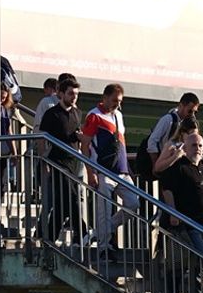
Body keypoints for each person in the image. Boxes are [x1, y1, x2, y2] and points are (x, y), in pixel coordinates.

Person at [157, 131, 203, 293]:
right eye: (194, 145)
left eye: (200, 146)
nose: (198, 149)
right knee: (200, 257)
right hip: (189, 224)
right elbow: (167, 190)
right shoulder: (178, 167)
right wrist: (173, 212)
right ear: (185, 148)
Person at [81, 83, 138, 261]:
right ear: (104, 98)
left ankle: (103, 231)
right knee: (103, 209)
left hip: (121, 170)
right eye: (114, 101)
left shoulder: (118, 115)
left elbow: (121, 142)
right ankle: (104, 247)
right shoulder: (94, 115)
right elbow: (85, 145)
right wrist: (90, 172)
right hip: (102, 169)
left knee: (134, 203)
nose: (117, 104)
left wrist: (127, 168)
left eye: (120, 101)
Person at [39, 77, 85, 245]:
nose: (74, 97)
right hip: (57, 161)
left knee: (62, 202)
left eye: (76, 94)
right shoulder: (52, 114)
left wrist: (80, 138)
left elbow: (77, 135)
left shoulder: (77, 113)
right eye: (71, 93)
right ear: (61, 94)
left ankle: (49, 237)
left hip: (74, 162)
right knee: (72, 197)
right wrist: (44, 160)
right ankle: (82, 232)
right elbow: (41, 138)